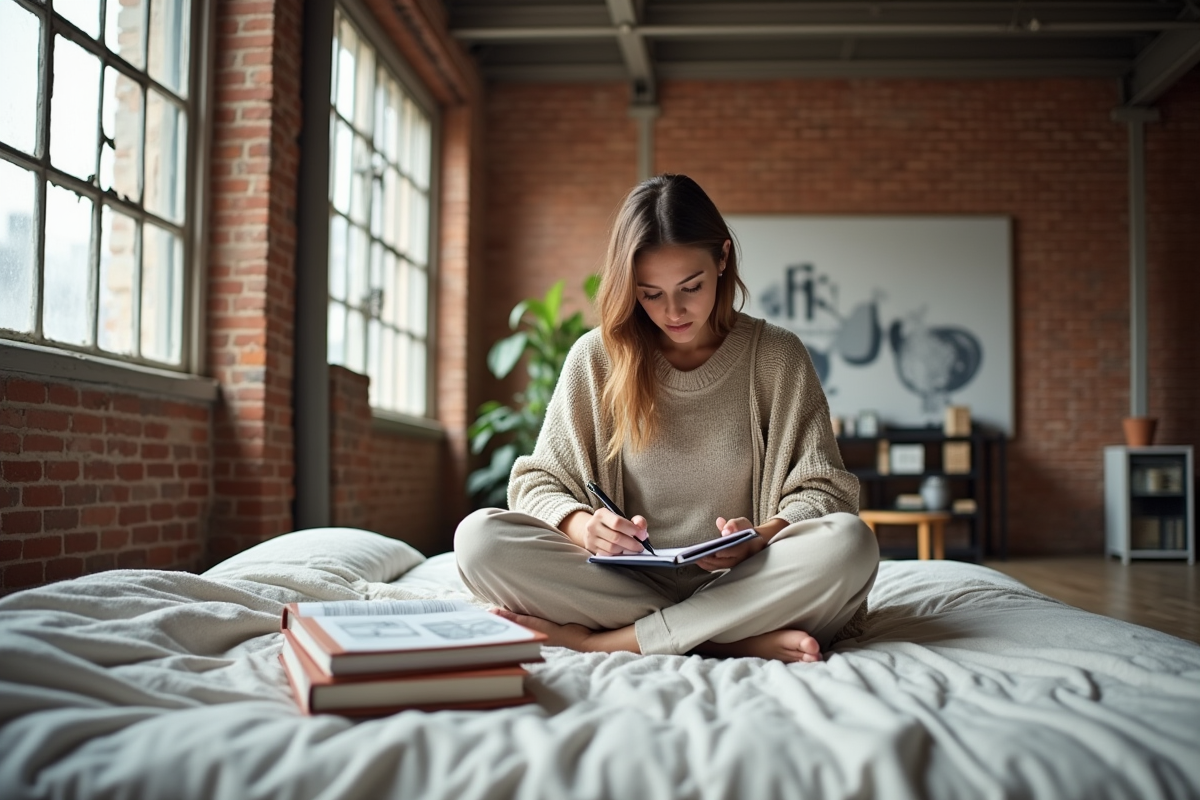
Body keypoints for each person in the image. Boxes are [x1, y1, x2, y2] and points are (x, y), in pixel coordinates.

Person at [455, 174, 878, 664]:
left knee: (850, 544)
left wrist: (758, 540)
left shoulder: (777, 356)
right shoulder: (596, 357)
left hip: (744, 580)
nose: (672, 311)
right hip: (628, 584)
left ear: (722, 259)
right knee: (478, 541)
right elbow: (538, 482)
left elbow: (824, 490)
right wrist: (581, 527)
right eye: (650, 293)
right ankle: (725, 638)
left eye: (690, 287)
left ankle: (609, 640)